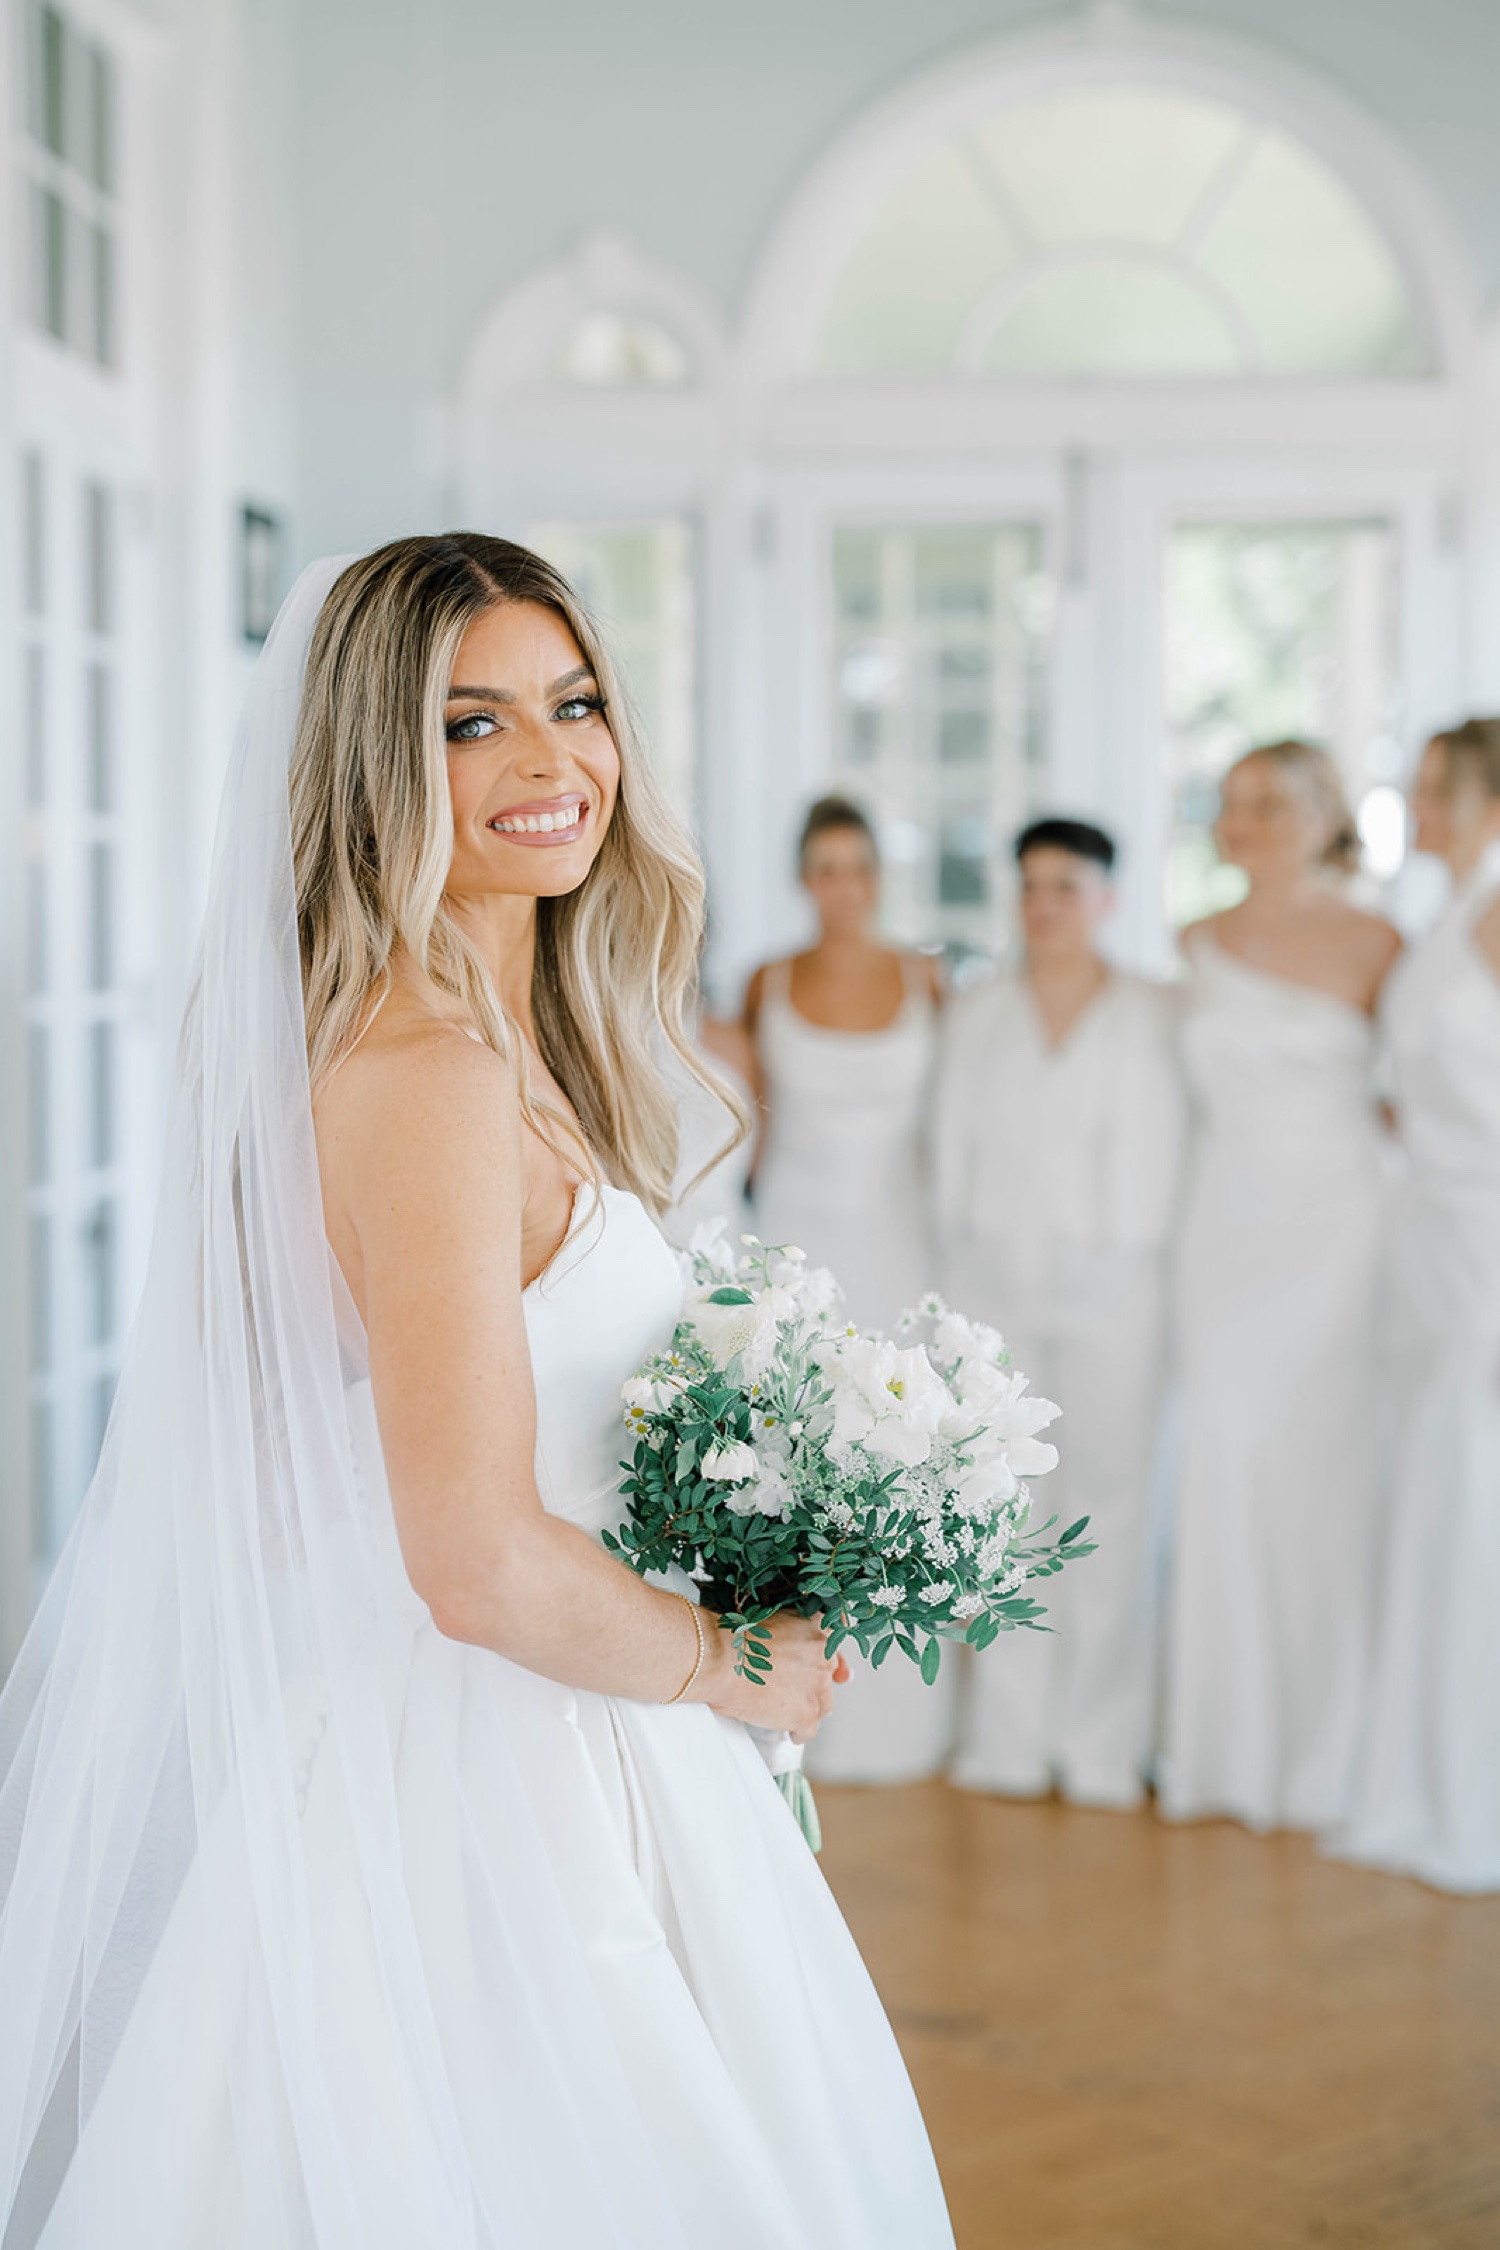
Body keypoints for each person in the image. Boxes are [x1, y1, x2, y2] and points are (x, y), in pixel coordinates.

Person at [0, 539, 955, 2248]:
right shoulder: (420, 1071)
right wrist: (729, 1665)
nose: (552, 762)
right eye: (473, 723)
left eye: (575, 705)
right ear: (375, 762)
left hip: (570, 1733)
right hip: (492, 1793)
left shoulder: (500, 1041)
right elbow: (472, 1557)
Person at [1161, 740, 1402, 1834]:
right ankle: (1223, 1752)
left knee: (1322, 1479)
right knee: (1222, 1456)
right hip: (1223, 1233)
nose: (1243, 821)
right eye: (1231, 805)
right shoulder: (1192, 944)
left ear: (1320, 816)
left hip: (1339, 1234)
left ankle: (1325, 1748)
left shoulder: (1382, 943)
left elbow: (1425, 1095)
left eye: (1266, 803)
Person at [933, 818, 1185, 1807]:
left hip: (1120, 1285)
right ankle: (1006, 1739)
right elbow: (948, 1157)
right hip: (997, 1283)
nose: (1045, 906)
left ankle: (1101, 1747)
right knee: (1002, 1510)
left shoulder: (1154, 1012)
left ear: (1107, 898)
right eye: (1031, 886)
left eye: (1066, 887)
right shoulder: (979, 1013)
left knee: (1112, 1507)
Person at [742, 797, 949, 1784]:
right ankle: (793, 1696)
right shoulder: (767, 982)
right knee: (798, 1463)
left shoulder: (927, 979)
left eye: (856, 866)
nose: (842, 886)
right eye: (823, 866)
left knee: (897, 1457)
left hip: (899, 1242)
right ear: (802, 877)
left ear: (877, 875)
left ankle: (902, 1715)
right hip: (796, 1237)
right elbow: (742, 1118)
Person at [1333, 718, 1500, 1892]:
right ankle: (1432, 1762)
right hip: (1430, 1237)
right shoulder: (1448, 917)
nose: (1413, 797)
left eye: (1434, 784)